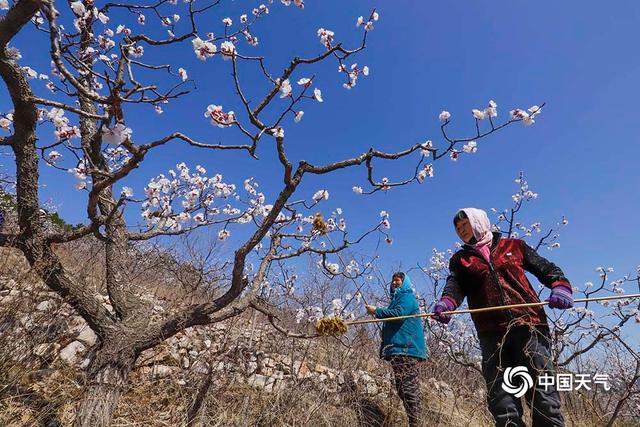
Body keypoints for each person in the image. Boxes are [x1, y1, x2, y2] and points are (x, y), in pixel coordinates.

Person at [432, 208, 572, 427]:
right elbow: (455, 285)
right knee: (503, 400)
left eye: (464, 224)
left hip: (530, 326)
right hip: (491, 334)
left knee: (543, 395)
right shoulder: (461, 260)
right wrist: (447, 303)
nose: (461, 230)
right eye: (457, 228)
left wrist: (560, 286)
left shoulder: (514, 246)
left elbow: (546, 268)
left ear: (478, 222)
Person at [366, 272, 426, 427]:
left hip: (407, 350)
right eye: (393, 281)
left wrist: (377, 311)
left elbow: (398, 315)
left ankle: (416, 423)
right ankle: (414, 422)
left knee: (409, 389)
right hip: (399, 350)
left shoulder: (407, 297)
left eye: (398, 281)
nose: (394, 283)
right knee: (402, 389)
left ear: (404, 283)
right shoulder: (397, 299)